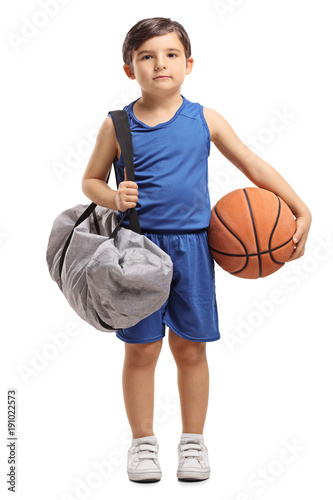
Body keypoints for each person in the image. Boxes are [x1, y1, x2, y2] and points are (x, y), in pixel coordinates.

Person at [81, 17, 312, 483]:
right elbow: (89, 180)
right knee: (141, 351)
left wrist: (299, 208)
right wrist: (112, 197)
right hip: (137, 253)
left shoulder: (204, 118)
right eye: (146, 56)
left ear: (188, 64)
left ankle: (193, 442)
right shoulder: (117, 124)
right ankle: (143, 444)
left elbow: (251, 161)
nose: (159, 64)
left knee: (190, 350)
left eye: (169, 55)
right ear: (130, 69)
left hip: (193, 250)